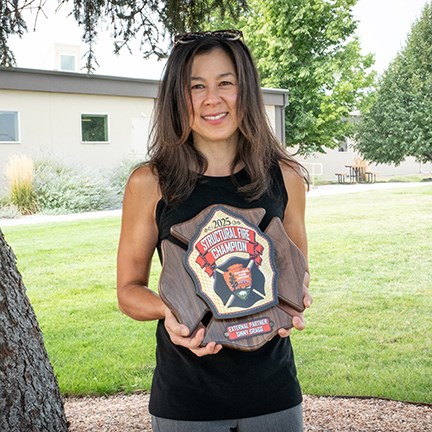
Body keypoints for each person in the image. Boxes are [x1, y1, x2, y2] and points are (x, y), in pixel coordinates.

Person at [117, 29, 312, 432]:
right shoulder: (149, 182)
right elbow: (128, 292)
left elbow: (295, 269)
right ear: (177, 97)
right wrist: (168, 310)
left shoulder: (286, 177)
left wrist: (297, 297)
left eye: (226, 83)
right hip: (187, 399)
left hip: (273, 393)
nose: (212, 99)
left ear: (247, 91)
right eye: (196, 87)